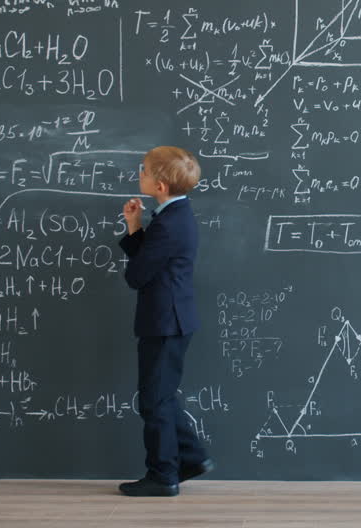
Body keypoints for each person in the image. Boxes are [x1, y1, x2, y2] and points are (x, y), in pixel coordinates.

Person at [116, 146, 214, 497]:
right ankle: (189, 457)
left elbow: (138, 275)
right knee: (163, 397)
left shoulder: (168, 225)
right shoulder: (175, 216)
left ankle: (164, 476)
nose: (138, 174)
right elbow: (151, 262)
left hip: (164, 322)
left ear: (159, 186)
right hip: (173, 320)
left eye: (142, 171)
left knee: (153, 401)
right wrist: (134, 227)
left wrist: (134, 233)